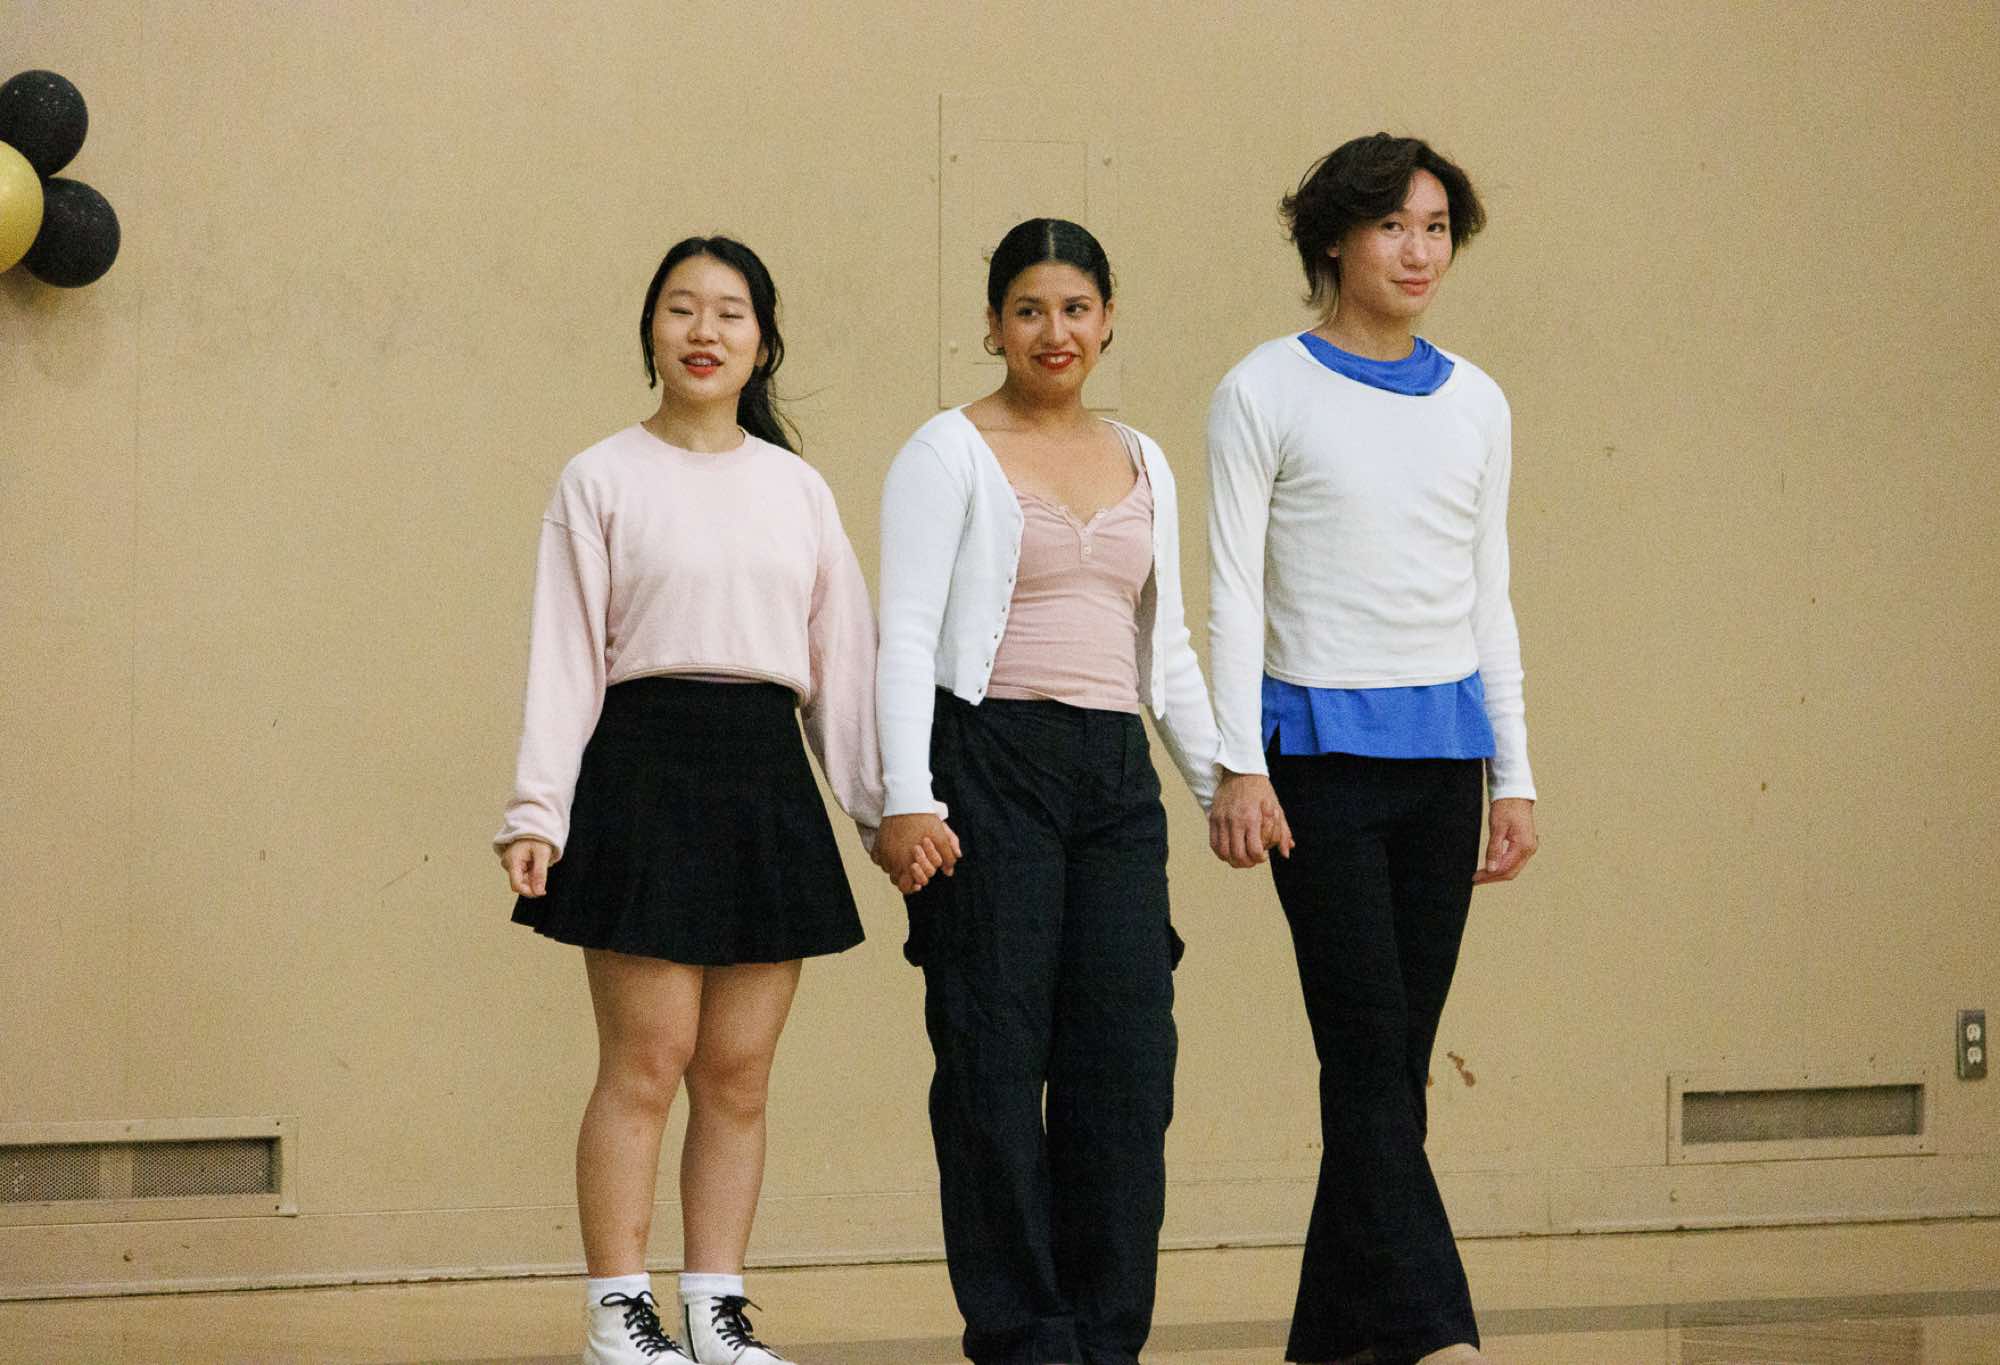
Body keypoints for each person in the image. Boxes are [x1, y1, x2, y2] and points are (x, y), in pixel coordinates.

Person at [494, 235, 950, 1365]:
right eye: (681, 308)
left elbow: (842, 666)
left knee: (738, 1074)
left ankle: (714, 1310)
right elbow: (563, 658)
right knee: (646, 1063)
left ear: (762, 340)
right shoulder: (599, 477)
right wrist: (538, 810)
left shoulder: (797, 489)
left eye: (730, 312)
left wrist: (882, 810)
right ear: (651, 329)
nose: (704, 331)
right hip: (642, 775)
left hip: (761, 780)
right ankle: (618, 1314)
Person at [1205, 134, 1540, 1365]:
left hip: (1446, 761)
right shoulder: (1263, 390)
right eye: (1393, 225)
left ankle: (1332, 1342)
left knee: (1390, 1065)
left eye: (1436, 227)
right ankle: (1440, 1334)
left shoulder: (1477, 402)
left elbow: (1487, 594)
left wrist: (1515, 774)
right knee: (1361, 1048)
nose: (1418, 251)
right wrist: (1236, 764)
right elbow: (1231, 592)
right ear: (1333, 239)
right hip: (1316, 761)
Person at [874, 218, 1222, 1365]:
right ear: (992, 326)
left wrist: (1226, 784)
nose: (1052, 331)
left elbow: (1165, 651)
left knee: (1125, 1067)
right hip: (987, 765)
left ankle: (1104, 1335)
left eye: (1074, 308)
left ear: (1107, 321)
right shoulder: (947, 451)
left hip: (1114, 782)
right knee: (990, 1059)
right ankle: (1024, 1336)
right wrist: (907, 798)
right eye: (1028, 310)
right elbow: (903, 633)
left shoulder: (1144, 458)